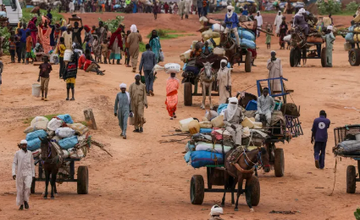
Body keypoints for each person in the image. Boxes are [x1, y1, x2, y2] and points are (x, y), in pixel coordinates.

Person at [12, 140, 35, 210]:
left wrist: (33, 174)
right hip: (20, 174)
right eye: (23, 145)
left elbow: (32, 164)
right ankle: (21, 204)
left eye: (25, 145)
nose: (24, 146)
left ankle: (26, 201)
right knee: (20, 189)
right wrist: (13, 173)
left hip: (28, 173)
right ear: (21, 146)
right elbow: (14, 163)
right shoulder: (17, 153)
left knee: (27, 187)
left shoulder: (30, 153)